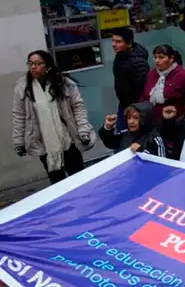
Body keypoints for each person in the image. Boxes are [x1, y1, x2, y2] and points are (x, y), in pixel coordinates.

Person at [12, 50, 95, 184]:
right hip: (45, 145)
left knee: (79, 180)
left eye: (38, 64)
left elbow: (78, 108)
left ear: (48, 66)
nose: (33, 67)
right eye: (30, 63)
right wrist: (19, 142)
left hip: (68, 141)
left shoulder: (64, 84)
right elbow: (19, 115)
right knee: (58, 184)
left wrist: (83, 130)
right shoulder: (23, 88)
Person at [140, 44, 185, 124]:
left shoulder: (183, 76)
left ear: (171, 58)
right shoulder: (151, 74)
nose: (157, 61)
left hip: (177, 121)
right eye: (155, 57)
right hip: (154, 121)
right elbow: (143, 96)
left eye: (161, 57)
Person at [110, 28, 150, 130]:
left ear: (129, 44)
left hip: (135, 107)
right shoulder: (120, 56)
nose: (113, 44)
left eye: (118, 41)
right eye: (113, 40)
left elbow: (141, 89)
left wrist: (133, 110)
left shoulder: (138, 62)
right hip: (124, 104)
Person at [98, 102, 166, 156]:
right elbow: (110, 142)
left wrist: (141, 151)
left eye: (136, 118)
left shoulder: (155, 138)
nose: (131, 122)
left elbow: (161, 162)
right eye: (129, 118)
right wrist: (108, 126)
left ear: (145, 119)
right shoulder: (125, 134)